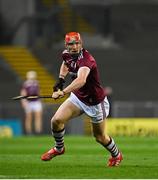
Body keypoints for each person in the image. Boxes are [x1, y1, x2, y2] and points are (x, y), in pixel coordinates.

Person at [41, 32, 123, 166]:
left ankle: (117, 155)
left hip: (95, 102)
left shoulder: (87, 60)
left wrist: (63, 91)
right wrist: (61, 79)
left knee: (100, 137)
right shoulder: (66, 54)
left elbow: (81, 80)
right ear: (66, 45)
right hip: (78, 97)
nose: (74, 46)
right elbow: (65, 63)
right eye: (71, 44)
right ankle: (59, 148)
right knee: (56, 121)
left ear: (81, 43)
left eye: (77, 43)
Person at [20, 71, 43, 135]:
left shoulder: (37, 83)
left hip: (36, 101)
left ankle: (38, 131)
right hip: (29, 102)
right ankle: (29, 132)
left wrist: (40, 100)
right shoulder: (26, 84)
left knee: (38, 117)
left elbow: (39, 92)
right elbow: (23, 93)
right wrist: (24, 102)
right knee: (29, 117)